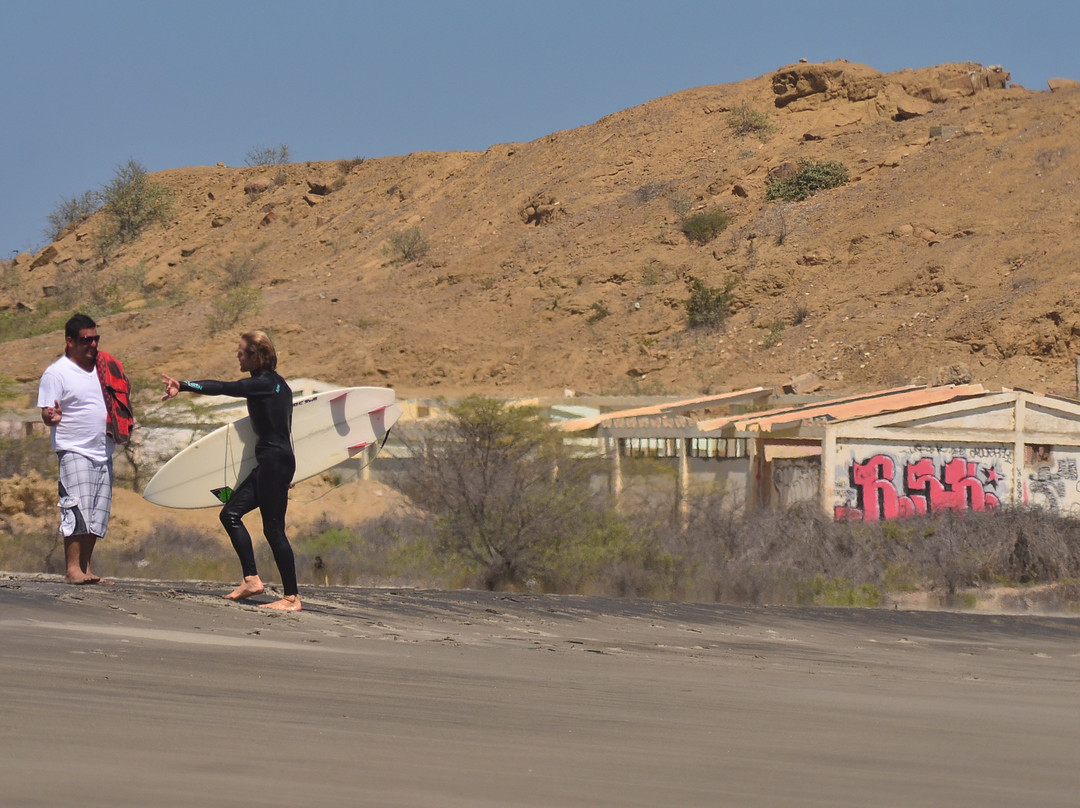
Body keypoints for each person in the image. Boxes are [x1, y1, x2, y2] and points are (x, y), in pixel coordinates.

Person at [160, 330, 301, 611]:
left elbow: (223, 387)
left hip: (274, 463)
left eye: (242, 351)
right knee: (230, 513)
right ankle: (251, 580)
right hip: (275, 462)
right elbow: (287, 429)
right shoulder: (281, 386)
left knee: (274, 531)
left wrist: (184, 385)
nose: (237, 355)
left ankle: (292, 598)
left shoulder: (262, 384)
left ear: (256, 355)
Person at [38, 313, 132, 584]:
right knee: (76, 508)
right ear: (70, 341)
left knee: (97, 512)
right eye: (85, 340)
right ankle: (72, 570)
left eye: (95, 339)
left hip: (102, 449)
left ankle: (86, 568)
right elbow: (47, 412)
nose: (92, 344)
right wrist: (50, 417)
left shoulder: (104, 368)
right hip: (73, 448)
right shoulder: (57, 373)